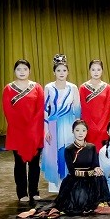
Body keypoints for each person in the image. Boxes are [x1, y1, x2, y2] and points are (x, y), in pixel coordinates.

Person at [30, 119, 110, 219]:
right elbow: (72, 171)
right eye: (77, 130)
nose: (80, 133)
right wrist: (90, 173)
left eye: (83, 130)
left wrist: (97, 169)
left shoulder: (92, 147)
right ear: (73, 131)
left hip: (90, 179)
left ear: (87, 132)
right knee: (80, 200)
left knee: (101, 177)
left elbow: (95, 164)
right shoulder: (69, 149)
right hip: (76, 180)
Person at [3, 59, 44, 206]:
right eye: (19, 69)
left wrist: (32, 128)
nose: (22, 72)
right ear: (14, 71)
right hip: (17, 132)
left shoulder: (37, 87)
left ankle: (34, 191)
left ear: (29, 71)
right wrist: (22, 128)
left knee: (34, 164)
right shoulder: (8, 89)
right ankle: (22, 193)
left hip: (35, 131)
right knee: (19, 164)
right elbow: (8, 111)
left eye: (25, 69)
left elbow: (40, 109)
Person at [41, 54, 81, 194]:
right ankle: (57, 185)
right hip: (53, 124)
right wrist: (46, 129)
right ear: (54, 72)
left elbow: (77, 110)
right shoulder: (49, 87)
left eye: (64, 70)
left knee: (68, 153)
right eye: (58, 70)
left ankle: (69, 183)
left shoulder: (73, 87)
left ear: (68, 72)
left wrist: (77, 129)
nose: (61, 73)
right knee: (55, 154)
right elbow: (45, 109)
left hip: (69, 124)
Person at [79, 59, 110, 150]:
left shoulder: (107, 87)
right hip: (88, 127)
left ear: (102, 71)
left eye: (98, 69)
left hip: (103, 127)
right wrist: (91, 126)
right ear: (89, 71)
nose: (96, 72)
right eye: (93, 69)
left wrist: (101, 126)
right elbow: (84, 109)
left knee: (103, 153)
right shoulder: (83, 88)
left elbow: (107, 109)